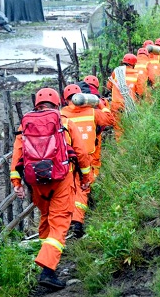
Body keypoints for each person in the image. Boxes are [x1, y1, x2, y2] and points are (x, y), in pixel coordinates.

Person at [9, 87, 93, 290]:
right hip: (61, 181)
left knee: (46, 217)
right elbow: (81, 153)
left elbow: (17, 156)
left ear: (37, 104)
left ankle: (46, 257)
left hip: (37, 183)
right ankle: (47, 270)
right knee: (60, 223)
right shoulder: (64, 121)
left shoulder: (26, 123)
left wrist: (17, 183)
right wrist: (86, 178)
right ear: (57, 103)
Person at [60, 84, 115, 238]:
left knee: (67, 189)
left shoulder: (61, 114)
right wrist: (100, 104)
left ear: (66, 99)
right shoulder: (93, 112)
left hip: (66, 160)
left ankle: (65, 223)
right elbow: (110, 120)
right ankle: (77, 223)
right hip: (87, 159)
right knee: (83, 189)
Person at [106, 53, 146, 139]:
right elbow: (141, 92)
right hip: (129, 105)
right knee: (131, 126)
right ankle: (129, 144)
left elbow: (109, 86)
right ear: (134, 64)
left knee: (118, 128)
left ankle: (121, 148)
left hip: (116, 104)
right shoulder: (137, 75)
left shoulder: (116, 72)